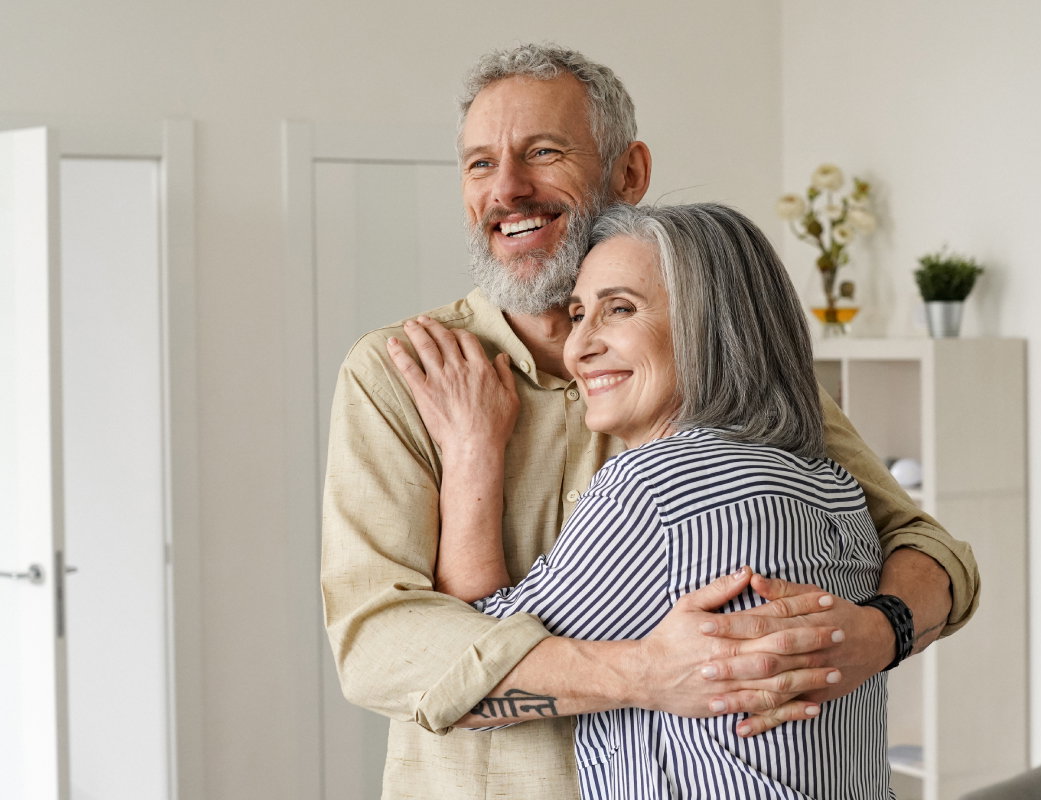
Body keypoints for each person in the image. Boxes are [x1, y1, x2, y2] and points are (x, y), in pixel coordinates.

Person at [321, 42, 979, 799]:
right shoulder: (398, 374)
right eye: (478, 164)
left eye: (542, 152)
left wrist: (874, 634)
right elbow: (378, 646)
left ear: (629, 172)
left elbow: (928, 549)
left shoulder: (721, 374)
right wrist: (647, 675)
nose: (507, 188)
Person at [411, 201, 893, 799]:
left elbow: (475, 668)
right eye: (578, 312)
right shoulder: (833, 485)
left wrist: (470, 448)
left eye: (619, 309)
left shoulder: (659, 484)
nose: (577, 348)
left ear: (710, 326)